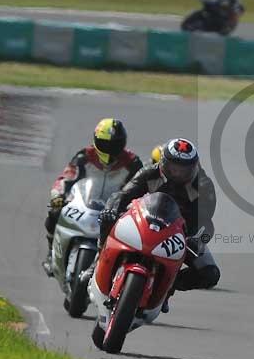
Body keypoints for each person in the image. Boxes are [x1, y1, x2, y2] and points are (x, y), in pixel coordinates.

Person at [87, 138, 220, 313]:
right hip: (143, 222)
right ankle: (98, 260)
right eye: (173, 167)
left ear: (194, 168)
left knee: (210, 274)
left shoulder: (203, 186)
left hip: (179, 235)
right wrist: (111, 209)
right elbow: (122, 195)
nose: (178, 173)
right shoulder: (150, 173)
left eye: (183, 169)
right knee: (107, 218)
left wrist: (198, 240)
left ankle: (168, 287)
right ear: (164, 162)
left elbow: (207, 225)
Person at [42, 118, 143, 276]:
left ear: (122, 144)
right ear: (96, 140)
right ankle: (51, 252)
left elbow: (141, 189)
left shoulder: (132, 162)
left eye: (114, 145)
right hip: (83, 203)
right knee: (54, 211)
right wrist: (58, 195)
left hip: (114, 210)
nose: (109, 149)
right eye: (104, 144)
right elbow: (67, 177)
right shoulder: (85, 156)